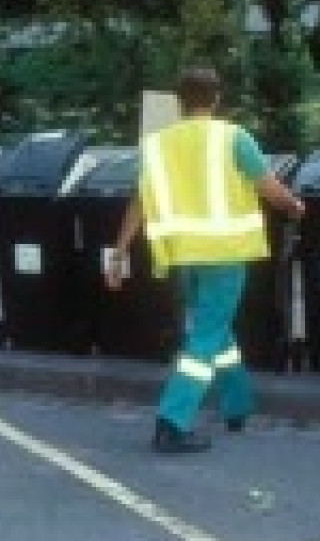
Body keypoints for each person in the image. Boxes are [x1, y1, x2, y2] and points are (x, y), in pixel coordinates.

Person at [104, 66, 305, 453]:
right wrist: (294, 207)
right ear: (216, 99)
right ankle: (171, 422)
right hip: (224, 255)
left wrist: (120, 251)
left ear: (180, 102)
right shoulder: (234, 137)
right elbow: (268, 188)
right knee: (205, 338)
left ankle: (236, 404)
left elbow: (140, 201)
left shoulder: (157, 144)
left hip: (183, 256)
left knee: (216, 328)